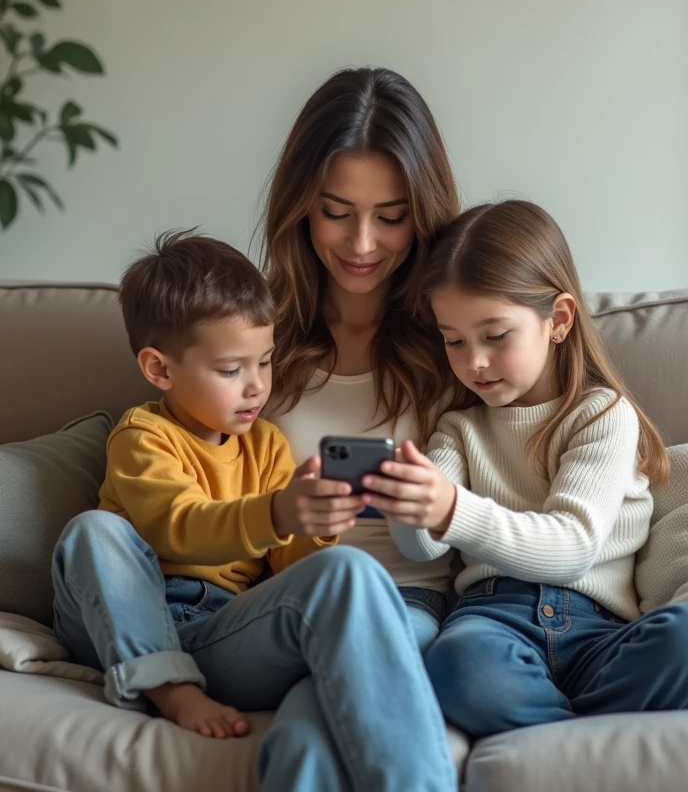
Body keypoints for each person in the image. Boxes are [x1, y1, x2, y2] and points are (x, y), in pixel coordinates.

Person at [51, 232, 456, 792]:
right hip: (125, 621)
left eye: (264, 361)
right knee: (94, 533)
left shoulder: (265, 444)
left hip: (221, 632)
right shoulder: (143, 438)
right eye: (230, 369)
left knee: (350, 571)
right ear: (159, 369)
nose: (257, 385)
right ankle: (168, 689)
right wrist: (276, 513)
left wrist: (316, 527)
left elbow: (285, 569)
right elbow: (180, 527)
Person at [359, 199, 688, 738]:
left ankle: (556, 736)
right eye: (454, 340)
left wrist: (453, 509)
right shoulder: (458, 429)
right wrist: (411, 506)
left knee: (681, 638)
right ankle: (578, 742)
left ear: (557, 320)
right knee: (456, 666)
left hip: (599, 627)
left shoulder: (602, 415)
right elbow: (422, 548)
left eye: (495, 336)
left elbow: (572, 546)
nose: (474, 362)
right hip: (492, 620)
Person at [261, 65, 461, 652]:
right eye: (337, 212)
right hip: (284, 609)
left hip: (411, 610)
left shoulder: (461, 342)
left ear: (421, 214)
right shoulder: (250, 337)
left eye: (392, 217)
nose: (363, 244)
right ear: (300, 207)